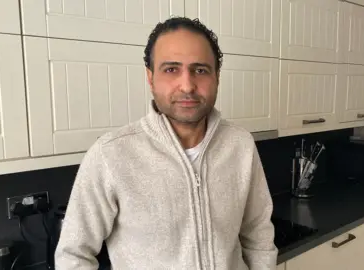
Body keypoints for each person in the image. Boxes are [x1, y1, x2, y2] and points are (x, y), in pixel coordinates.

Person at [54, 16, 278, 270]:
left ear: (217, 77)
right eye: (171, 69)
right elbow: (73, 255)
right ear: (150, 78)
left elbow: (259, 236)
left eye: (200, 70)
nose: (187, 85)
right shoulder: (111, 155)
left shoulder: (241, 145)